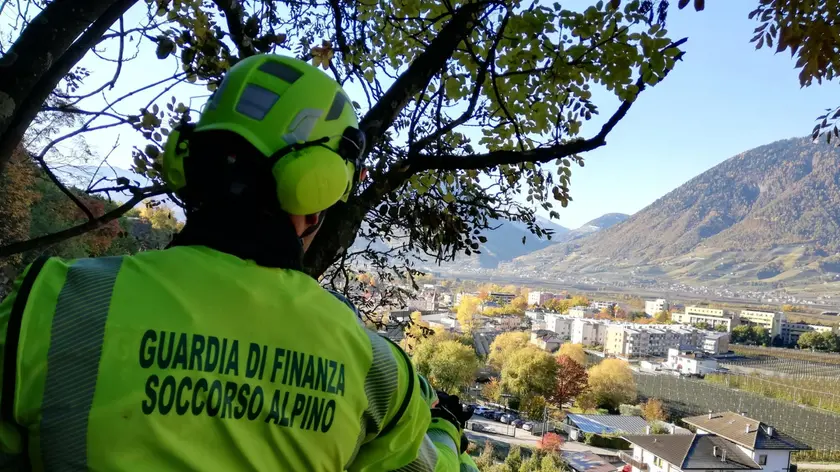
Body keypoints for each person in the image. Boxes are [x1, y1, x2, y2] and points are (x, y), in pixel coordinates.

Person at [0, 54, 478, 471]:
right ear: (316, 186)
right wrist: (445, 430)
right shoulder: (371, 367)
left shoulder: (48, 304)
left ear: (187, 163)